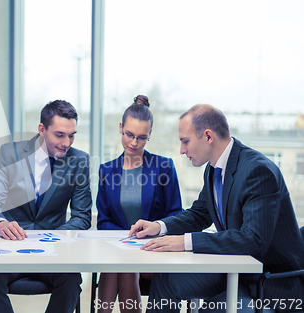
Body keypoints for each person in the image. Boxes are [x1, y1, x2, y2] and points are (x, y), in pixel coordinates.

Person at [130, 104, 304, 312]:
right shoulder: (214, 169)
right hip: (236, 269)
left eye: (185, 141)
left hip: (268, 281)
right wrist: (159, 227)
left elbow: (253, 240)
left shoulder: (257, 171)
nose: (182, 150)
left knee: (212, 309)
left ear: (208, 137)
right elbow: (200, 214)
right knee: (166, 278)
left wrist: (185, 242)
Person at [0, 100, 92, 313]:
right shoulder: (10, 153)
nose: (67, 143)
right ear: (42, 129)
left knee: (72, 279)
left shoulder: (79, 161)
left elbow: (82, 216)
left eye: (72, 135)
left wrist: (54, 236)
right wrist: (1, 223)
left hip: (54, 252)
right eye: (59, 135)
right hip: (9, 248)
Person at [96, 95, 182, 313]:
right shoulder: (107, 170)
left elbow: (176, 215)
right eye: (129, 135)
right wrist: (127, 239)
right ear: (120, 128)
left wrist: (147, 236)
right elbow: (103, 221)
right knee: (117, 265)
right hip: (121, 248)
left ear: (150, 135)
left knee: (123, 267)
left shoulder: (164, 167)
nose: (134, 143)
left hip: (154, 250)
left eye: (142, 138)